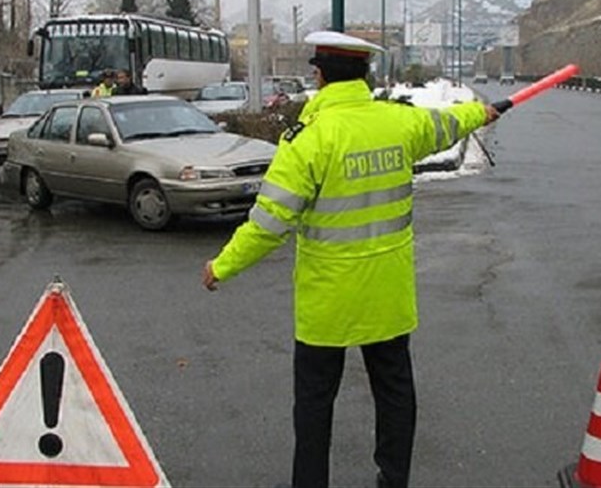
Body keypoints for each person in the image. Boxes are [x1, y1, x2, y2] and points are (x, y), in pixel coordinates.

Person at [201, 30, 501, 488]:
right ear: (365, 74)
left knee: (315, 405)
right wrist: (480, 112)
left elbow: (269, 223)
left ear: (319, 76)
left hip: (328, 304)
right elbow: (446, 123)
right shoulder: (398, 123)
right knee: (395, 393)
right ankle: (393, 479)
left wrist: (223, 265)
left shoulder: (308, 140)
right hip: (388, 295)